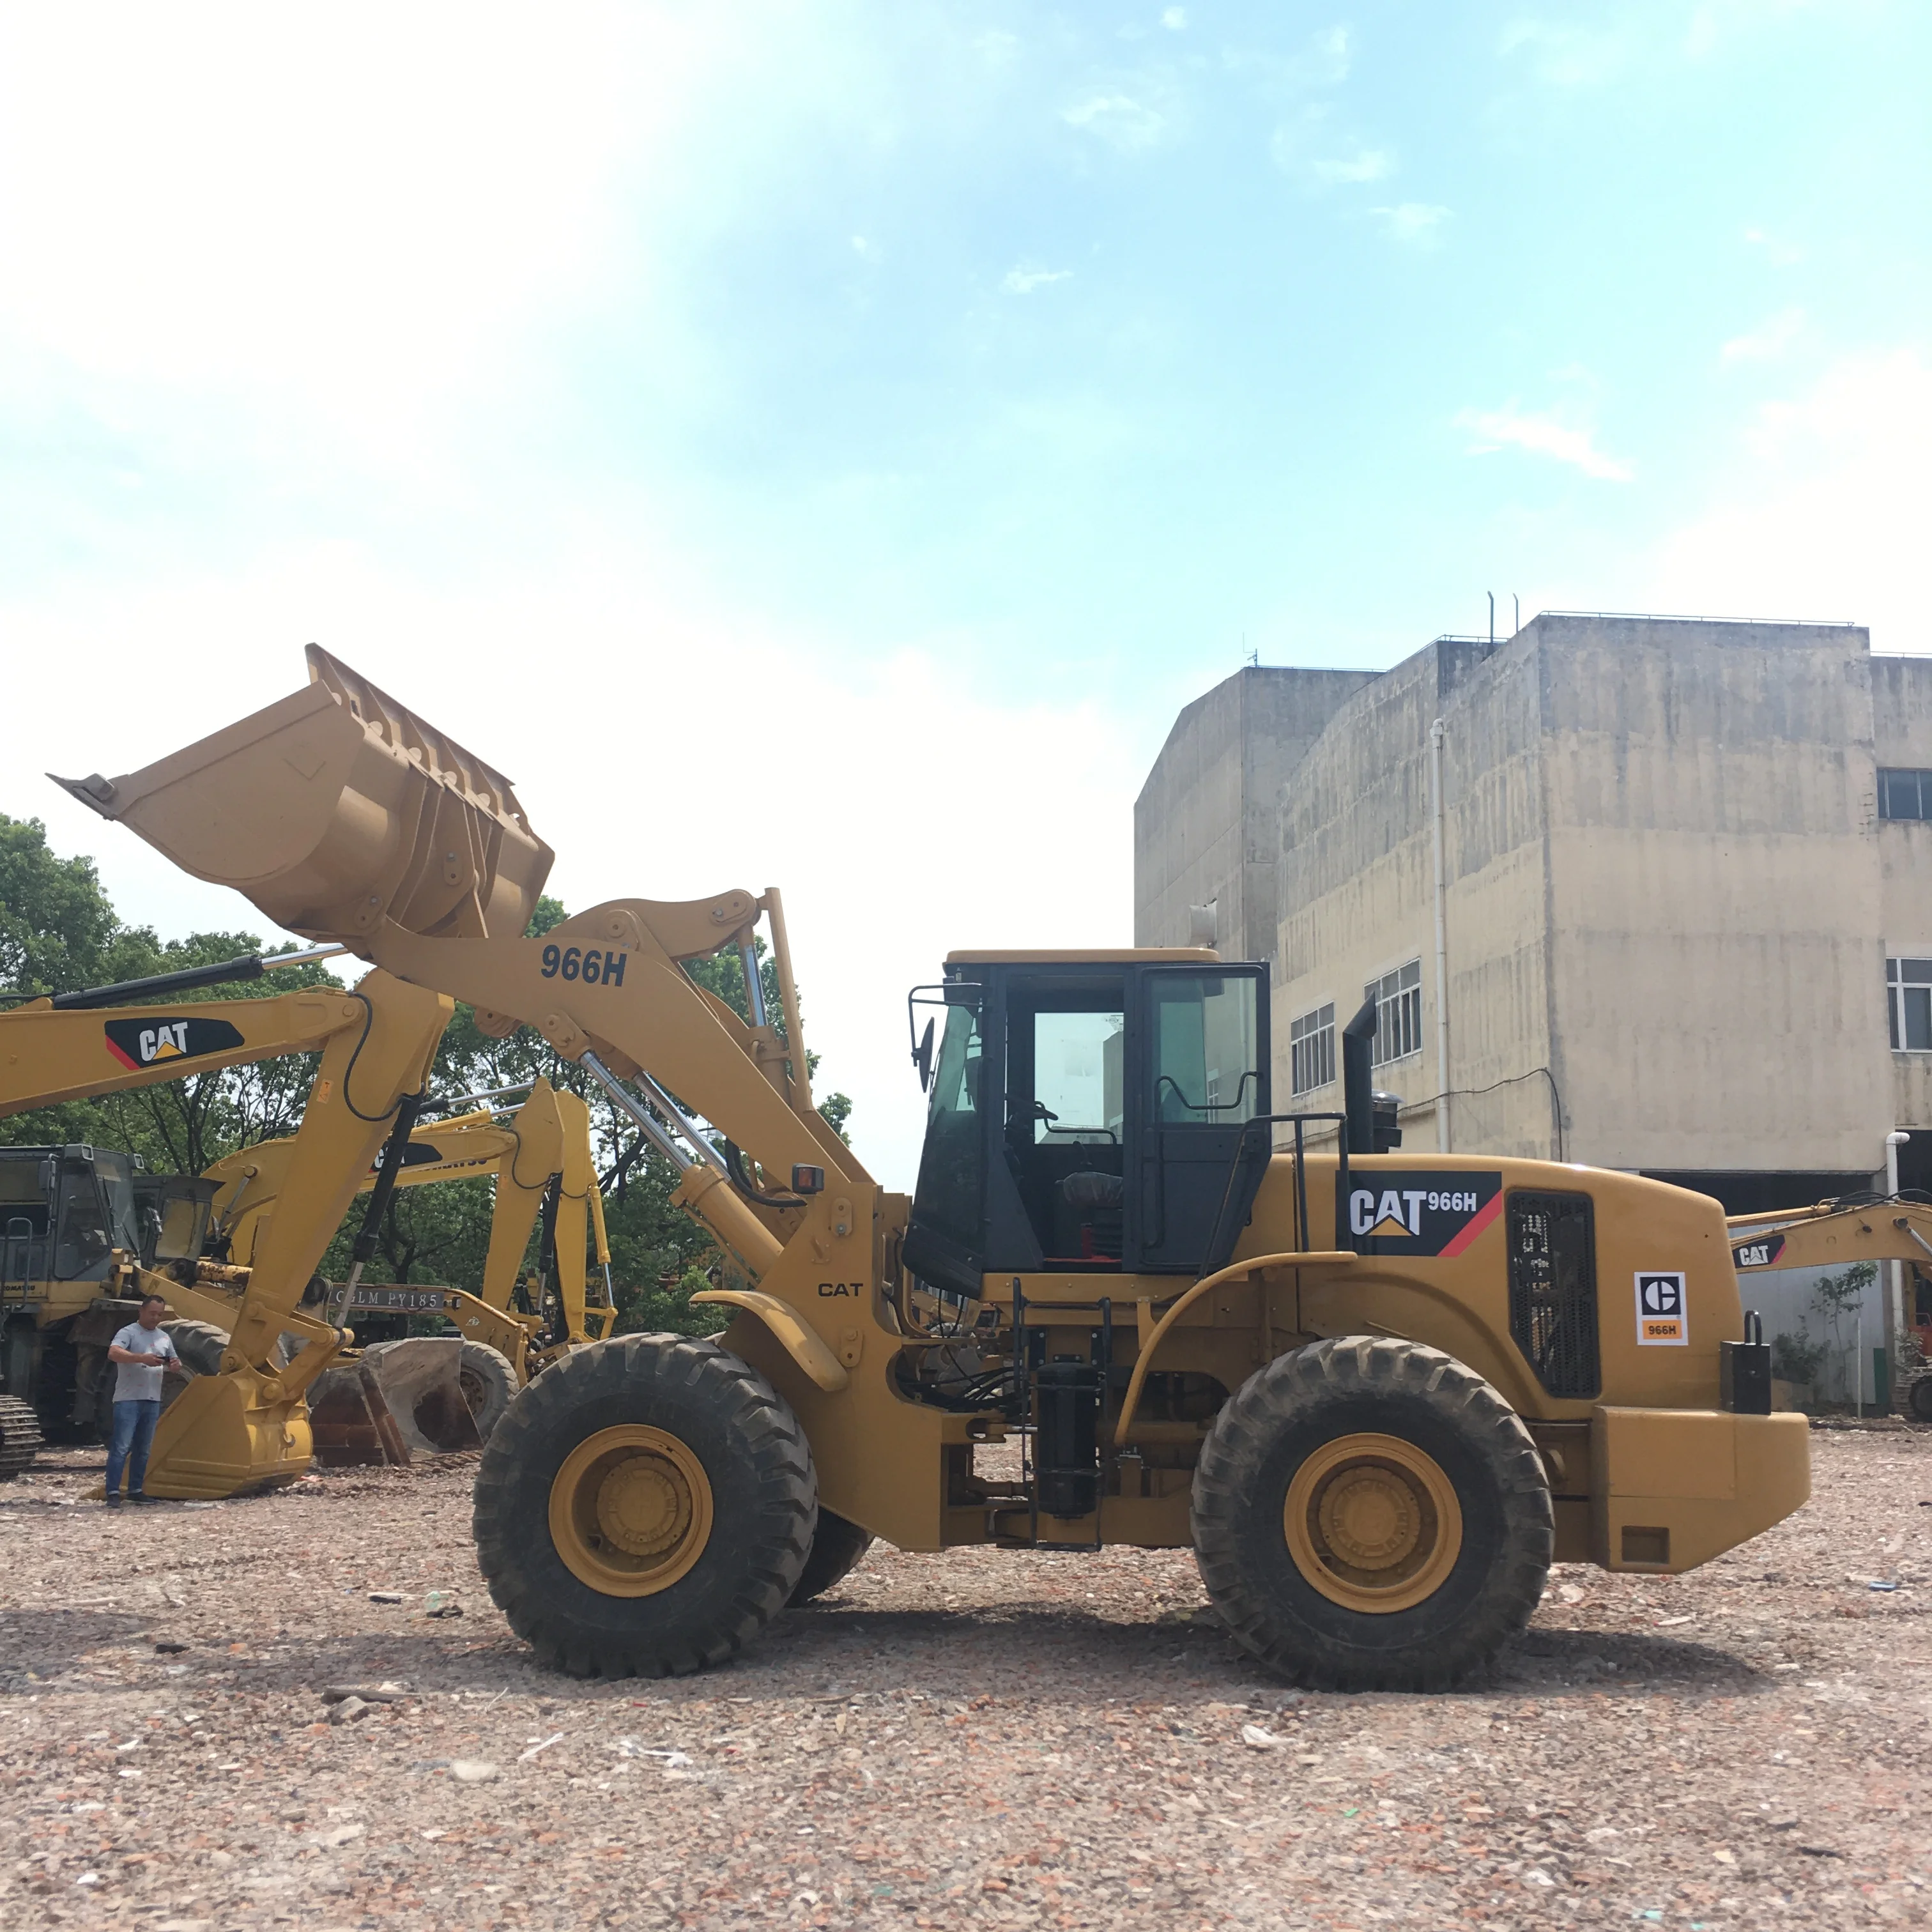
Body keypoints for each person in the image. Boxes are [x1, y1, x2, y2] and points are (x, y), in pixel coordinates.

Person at [103, 1294, 186, 1505]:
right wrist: (141, 1358)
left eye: (159, 1314)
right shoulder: (128, 1332)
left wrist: (175, 1365)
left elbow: (174, 1361)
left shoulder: (164, 1338)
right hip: (128, 1398)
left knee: (144, 1448)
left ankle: (136, 1489)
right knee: (122, 1447)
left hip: (152, 1398)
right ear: (141, 1311)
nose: (155, 1318)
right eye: (152, 1313)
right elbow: (113, 1353)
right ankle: (113, 1492)